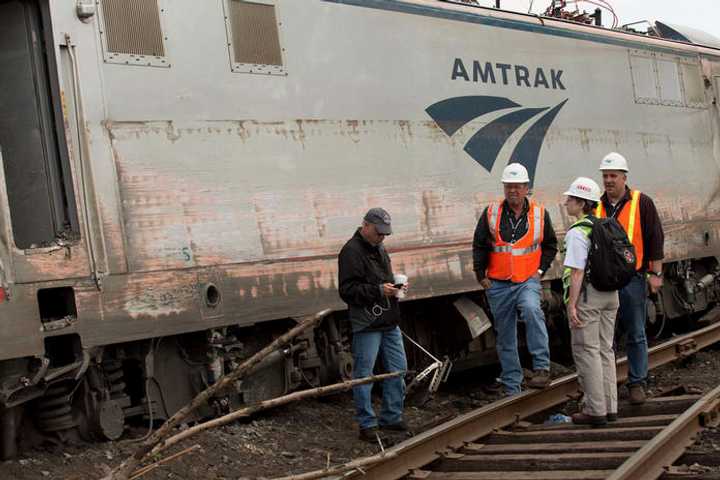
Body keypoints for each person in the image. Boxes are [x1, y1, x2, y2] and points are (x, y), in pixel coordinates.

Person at [473, 163, 558, 395]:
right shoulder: (491, 213)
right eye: (508, 186)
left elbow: (551, 245)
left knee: (532, 311)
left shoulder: (539, 214)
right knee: (505, 334)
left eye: (517, 187)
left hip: (526, 280)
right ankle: (512, 385)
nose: (513, 191)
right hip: (498, 283)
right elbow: (479, 244)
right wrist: (481, 275)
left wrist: (540, 271)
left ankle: (541, 368)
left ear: (526, 188)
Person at [596, 152, 664, 405]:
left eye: (613, 175)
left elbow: (655, 238)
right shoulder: (597, 204)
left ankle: (637, 382)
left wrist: (656, 273)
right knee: (607, 336)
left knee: (635, 332)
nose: (609, 180)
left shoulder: (641, 202)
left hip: (632, 278)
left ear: (624, 177)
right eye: (605, 176)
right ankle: (607, 386)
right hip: (603, 281)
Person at [338, 208, 409, 442]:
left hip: (388, 318)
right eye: (379, 233)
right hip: (367, 322)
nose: (382, 237)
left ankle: (391, 416)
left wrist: (395, 288)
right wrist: (379, 291)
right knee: (364, 374)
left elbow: (381, 279)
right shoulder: (350, 251)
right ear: (365, 226)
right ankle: (367, 424)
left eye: (385, 234)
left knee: (398, 368)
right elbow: (347, 290)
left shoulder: (378, 246)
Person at [562, 177, 619, 426]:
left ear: (582, 203)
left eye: (570, 199)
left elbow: (576, 272)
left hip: (588, 296)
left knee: (588, 352)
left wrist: (571, 305)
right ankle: (610, 407)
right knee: (606, 351)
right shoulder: (607, 224)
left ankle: (595, 410)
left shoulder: (577, 232)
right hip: (611, 295)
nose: (566, 203)